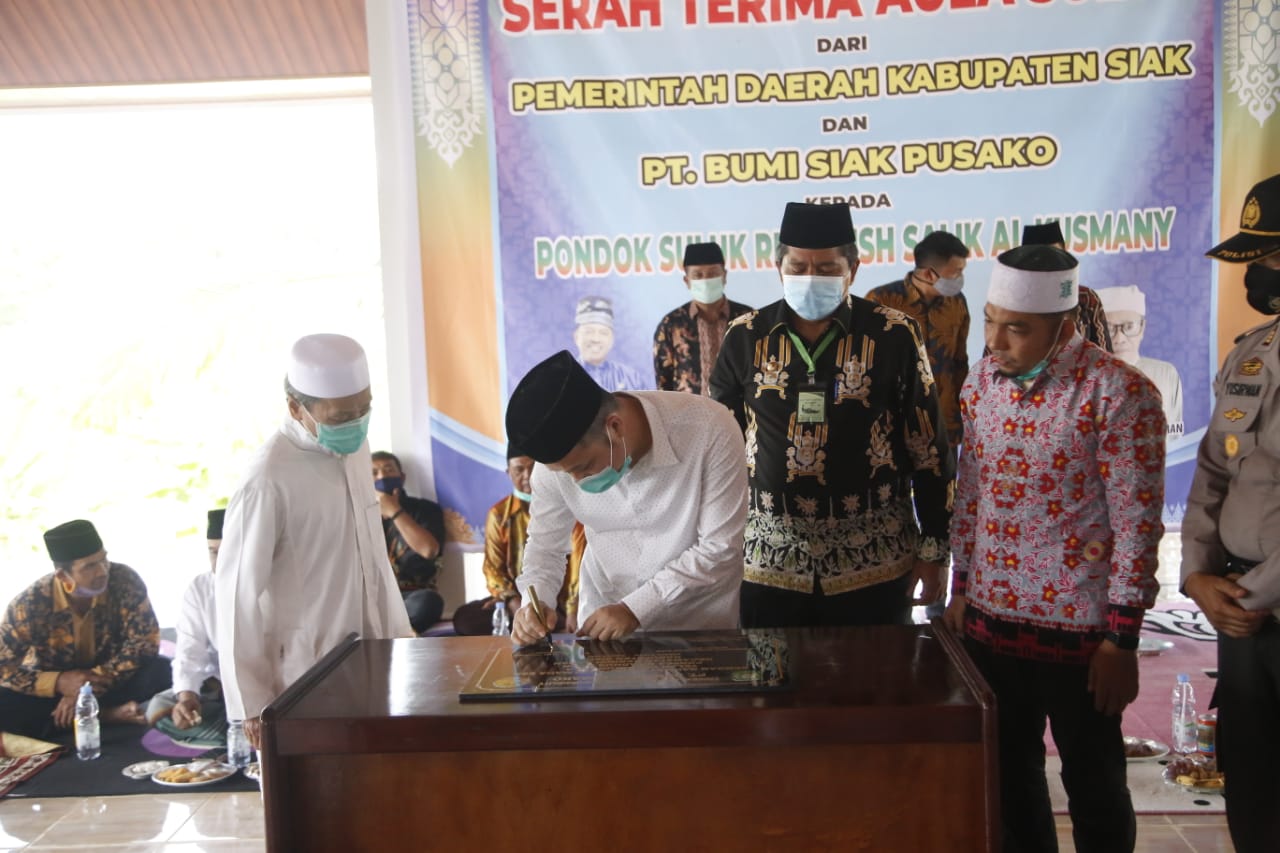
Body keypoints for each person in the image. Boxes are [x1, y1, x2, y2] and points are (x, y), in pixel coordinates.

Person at [945, 245, 1166, 853]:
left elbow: (1138, 526)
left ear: (1063, 326)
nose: (995, 341)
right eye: (990, 320)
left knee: (1093, 787)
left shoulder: (1119, 394)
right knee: (1010, 783)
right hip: (989, 627)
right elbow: (971, 492)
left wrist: (1121, 639)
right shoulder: (982, 383)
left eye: (1016, 328)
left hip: (1082, 638)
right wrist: (960, 587)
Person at [709, 202, 954, 628]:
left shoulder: (893, 333)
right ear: (779, 267)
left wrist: (934, 551)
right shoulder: (745, 335)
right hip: (768, 566)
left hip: (875, 562)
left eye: (826, 269)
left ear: (853, 269)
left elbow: (928, 446)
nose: (810, 278)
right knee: (773, 688)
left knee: (870, 689)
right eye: (799, 266)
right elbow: (716, 448)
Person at [216, 333, 412, 747]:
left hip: (374, 654)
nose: (356, 423)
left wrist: (401, 637)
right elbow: (236, 594)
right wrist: (251, 702)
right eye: (342, 417)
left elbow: (373, 557)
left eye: (365, 409)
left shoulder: (356, 450)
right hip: (305, 674)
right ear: (295, 407)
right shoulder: (268, 479)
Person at [505, 350, 747, 645]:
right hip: (602, 629)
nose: (577, 482)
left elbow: (719, 549)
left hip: (697, 624)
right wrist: (536, 601)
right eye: (566, 474)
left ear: (615, 428)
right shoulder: (554, 466)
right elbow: (545, 549)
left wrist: (635, 608)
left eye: (583, 468)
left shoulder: (709, 429)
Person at [1180, 172, 1280, 853]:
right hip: (1241, 610)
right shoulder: (1252, 351)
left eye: (1269, 257)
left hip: (1259, 598)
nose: (1259, 274)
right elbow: (1216, 469)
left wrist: (1254, 593)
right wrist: (1197, 575)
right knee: (1252, 781)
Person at [0, 519, 171, 739]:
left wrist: (85, 688)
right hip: (53, 694)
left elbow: (144, 644)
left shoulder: (124, 580)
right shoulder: (30, 604)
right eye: (89, 566)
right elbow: (4, 667)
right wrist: (59, 683)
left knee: (161, 671)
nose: (102, 572)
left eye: (103, 560)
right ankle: (106, 715)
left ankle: (81, 715)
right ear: (63, 576)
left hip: (109, 681)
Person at [451, 446, 583, 636]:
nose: (527, 475)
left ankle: (554, 623)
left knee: (585, 615)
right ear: (508, 473)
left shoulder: (568, 508)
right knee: (466, 619)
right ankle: (537, 625)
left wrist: (573, 608)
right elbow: (493, 569)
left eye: (533, 468)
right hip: (517, 601)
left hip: (560, 600)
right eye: (519, 469)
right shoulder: (499, 514)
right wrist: (514, 601)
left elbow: (579, 564)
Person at [145, 509, 224, 730]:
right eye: (214, 552)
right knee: (160, 707)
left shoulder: (272, 586)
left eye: (227, 552)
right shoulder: (201, 588)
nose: (219, 562)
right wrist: (187, 698)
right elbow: (189, 651)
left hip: (268, 691)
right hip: (220, 686)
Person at [653, 241, 753, 394]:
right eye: (697, 275)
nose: (706, 280)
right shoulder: (671, 324)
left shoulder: (747, 318)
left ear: (724, 276)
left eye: (713, 273)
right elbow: (663, 382)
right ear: (687, 281)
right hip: (687, 415)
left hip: (737, 414)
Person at [371, 450, 447, 633]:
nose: (382, 476)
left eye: (389, 470)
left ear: (401, 476)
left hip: (412, 596)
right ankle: (394, 630)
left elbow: (429, 550)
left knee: (429, 602)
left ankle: (390, 631)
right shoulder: (358, 514)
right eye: (374, 473)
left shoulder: (425, 509)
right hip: (374, 598)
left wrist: (395, 512)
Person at [1096, 285, 1184, 439]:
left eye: (1129, 327)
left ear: (1142, 328)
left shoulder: (1165, 373)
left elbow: (1174, 434)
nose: (1119, 338)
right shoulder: (1086, 377)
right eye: (1109, 329)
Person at [1022, 221, 1114, 352]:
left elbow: (1106, 359)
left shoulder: (1085, 298)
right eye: (1040, 258)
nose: (1049, 264)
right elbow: (992, 363)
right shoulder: (1012, 304)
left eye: (1055, 256)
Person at [572, 295, 646, 391]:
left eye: (603, 333)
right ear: (576, 336)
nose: (596, 339)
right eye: (589, 331)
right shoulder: (563, 377)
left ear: (612, 339)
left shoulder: (631, 378)